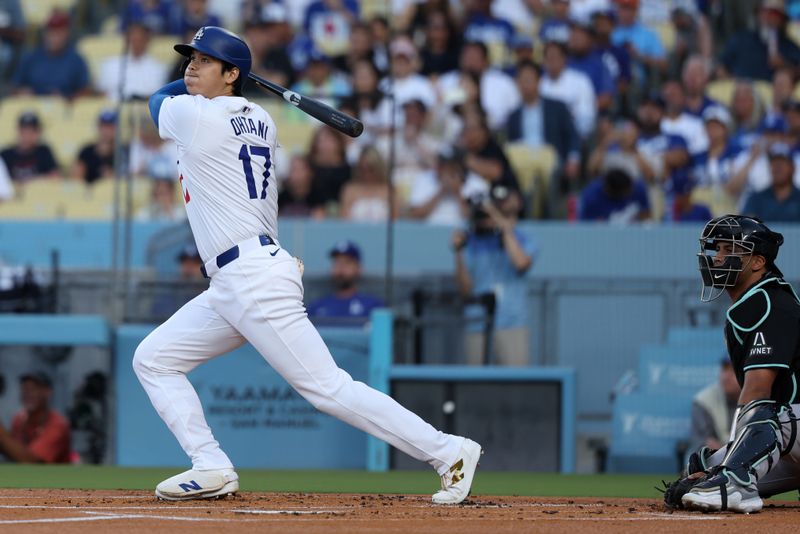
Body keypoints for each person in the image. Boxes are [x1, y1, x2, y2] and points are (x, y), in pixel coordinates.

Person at [136, 26, 481, 504]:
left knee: (328, 389)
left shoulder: (195, 115)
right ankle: (211, 464)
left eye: (204, 61)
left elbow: (156, 100)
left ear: (232, 72)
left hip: (251, 277)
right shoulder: (259, 117)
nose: (190, 67)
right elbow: (199, 99)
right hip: (238, 277)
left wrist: (199, 86)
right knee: (154, 359)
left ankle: (449, 452)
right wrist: (231, 82)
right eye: (189, 59)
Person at [664, 215, 800, 513]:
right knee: (702, 464)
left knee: (767, 413)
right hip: (794, 438)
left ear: (756, 262)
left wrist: (730, 463)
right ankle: (729, 478)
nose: (717, 257)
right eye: (718, 249)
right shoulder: (750, 303)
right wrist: (717, 464)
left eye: (729, 249)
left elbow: (759, 389)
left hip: (789, 423)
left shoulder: (770, 302)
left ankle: (734, 483)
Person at [453, 185, 536, 366]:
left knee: (515, 384)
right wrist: (457, 252)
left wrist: (498, 221)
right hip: (477, 322)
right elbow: (465, 290)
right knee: (474, 385)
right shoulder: (470, 241)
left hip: (511, 323)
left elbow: (521, 263)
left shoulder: (521, 237)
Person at [505, 60, 581, 183]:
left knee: (542, 166)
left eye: (529, 80)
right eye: (522, 80)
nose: (525, 84)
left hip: (549, 155)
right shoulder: (514, 115)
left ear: (539, 81)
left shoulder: (557, 107)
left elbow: (572, 135)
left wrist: (573, 160)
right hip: (523, 159)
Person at [11, 10, 90, 98]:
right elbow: (15, 88)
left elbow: (84, 92)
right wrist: (23, 93)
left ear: (67, 34)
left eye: (59, 32)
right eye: (51, 32)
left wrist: (66, 99)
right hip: (34, 107)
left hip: (65, 108)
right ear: (45, 33)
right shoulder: (31, 58)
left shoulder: (76, 61)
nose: (54, 37)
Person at [306, 240, 384, 324]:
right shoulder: (316, 307)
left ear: (358, 268)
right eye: (337, 262)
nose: (341, 268)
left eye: (347, 262)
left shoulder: (373, 306)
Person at [0, 372, 71, 463]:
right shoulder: (19, 419)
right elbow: (13, 452)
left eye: (34, 388)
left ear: (48, 392)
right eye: (24, 388)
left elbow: (33, 462)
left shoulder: (58, 425)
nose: (28, 393)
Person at [97, 19, 168, 101]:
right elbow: (101, 93)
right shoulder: (109, 65)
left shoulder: (159, 68)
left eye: (140, 39)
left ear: (147, 40)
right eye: (133, 39)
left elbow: (157, 97)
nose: (136, 43)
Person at [688, 358, 741, 454]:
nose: (726, 377)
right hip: (714, 462)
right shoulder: (704, 401)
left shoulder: (759, 400)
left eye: (733, 370)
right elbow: (704, 443)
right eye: (724, 369)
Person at [742, 142, 800, 222]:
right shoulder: (756, 199)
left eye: (782, 163)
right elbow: (746, 225)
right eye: (774, 164)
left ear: (792, 168)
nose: (778, 168)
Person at [0, 112, 59, 184]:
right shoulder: (5, 154)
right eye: (24, 131)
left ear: (38, 133)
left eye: (32, 131)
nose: (28, 135)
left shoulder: (44, 152)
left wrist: (33, 181)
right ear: (18, 131)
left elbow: (55, 177)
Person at [73, 110, 118, 185]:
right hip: (88, 195)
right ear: (98, 128)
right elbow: (76, 180)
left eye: (110, 127)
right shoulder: (87, 151)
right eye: (103, 126)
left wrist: (112, 177)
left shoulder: (123, 153)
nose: (106, 131)